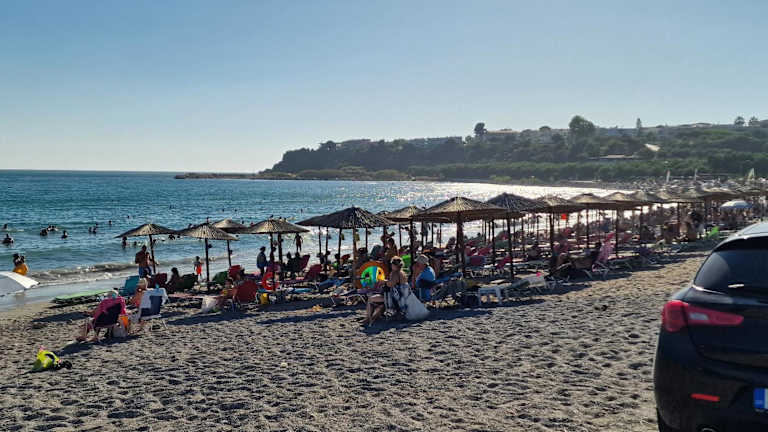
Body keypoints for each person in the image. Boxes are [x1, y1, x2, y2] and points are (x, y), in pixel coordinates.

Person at [361, 256, 408, 327]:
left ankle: (368, 318)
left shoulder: (395, 273)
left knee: (370, 299)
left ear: (393, 265)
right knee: (381, 304)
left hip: (392, 298)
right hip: (399, 297)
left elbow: (391, 284)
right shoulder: (402, 273)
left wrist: (383, 282)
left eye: (391, 264)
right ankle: (373, 317)